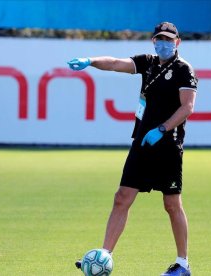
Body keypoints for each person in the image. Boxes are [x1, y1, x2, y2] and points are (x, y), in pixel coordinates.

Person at [68, 21, 197, 276]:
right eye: (160, 39)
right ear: (153, 41)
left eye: (169, 40)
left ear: (177, 43)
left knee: (172, 204)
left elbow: (187, 107)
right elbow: (115, 63)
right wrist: (89, 60)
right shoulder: (147, 62)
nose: (164, 44)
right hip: (142, 142)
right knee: (121, 198)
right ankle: (103, 257)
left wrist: (161, 129)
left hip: (167, 145)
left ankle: (183, 264)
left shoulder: (184, 70)